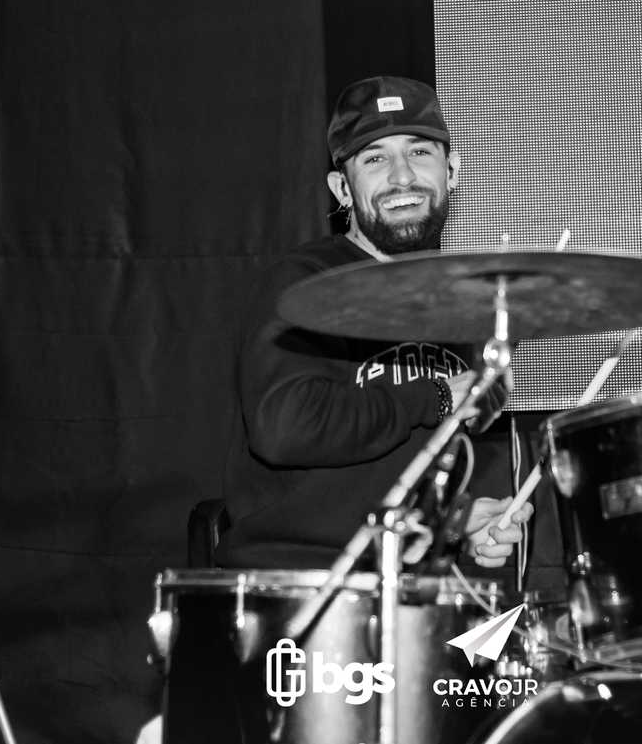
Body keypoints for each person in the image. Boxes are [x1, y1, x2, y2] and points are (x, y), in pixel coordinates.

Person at [214, 75, 531, 573]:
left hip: (408, 579)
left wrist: (459, 525)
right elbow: (285, 428)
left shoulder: (467, 302)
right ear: (342, 188)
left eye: (419, 153)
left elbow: (408, 466)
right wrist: (435, 397)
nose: (402, 177)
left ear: (452, 171)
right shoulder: (304, 284)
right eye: (375, 159)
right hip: (299, 581)